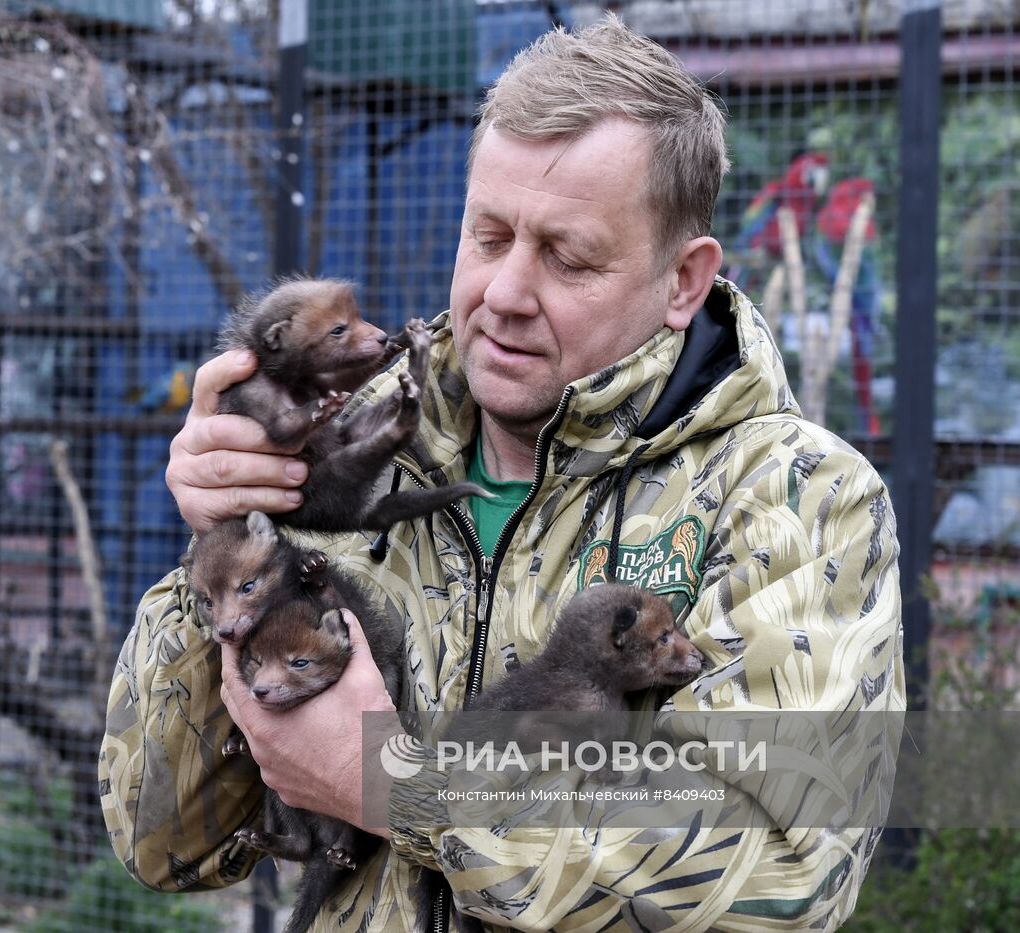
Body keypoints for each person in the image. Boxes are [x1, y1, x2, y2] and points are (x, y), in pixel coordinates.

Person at [100, 14, 904, 932]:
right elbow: (161, 834)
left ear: (684, 280)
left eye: (568, 257)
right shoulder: (340, 447)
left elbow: (777, 875)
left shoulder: (798, 502)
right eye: (488, 236)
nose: (506, 293)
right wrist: (218, 535)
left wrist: (394, 784)